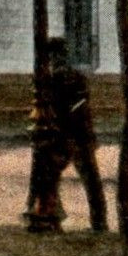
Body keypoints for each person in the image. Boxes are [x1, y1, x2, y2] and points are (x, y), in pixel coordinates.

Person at [45, 36, 108, 232]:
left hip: (65, 137)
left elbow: (59, 110)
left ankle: (54, 219)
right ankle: (99, 223)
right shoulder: (79, 76)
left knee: (50, 177)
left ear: (53, 56)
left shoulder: (54, 78)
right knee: (92, 181)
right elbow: (83, 106)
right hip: (83, 135)